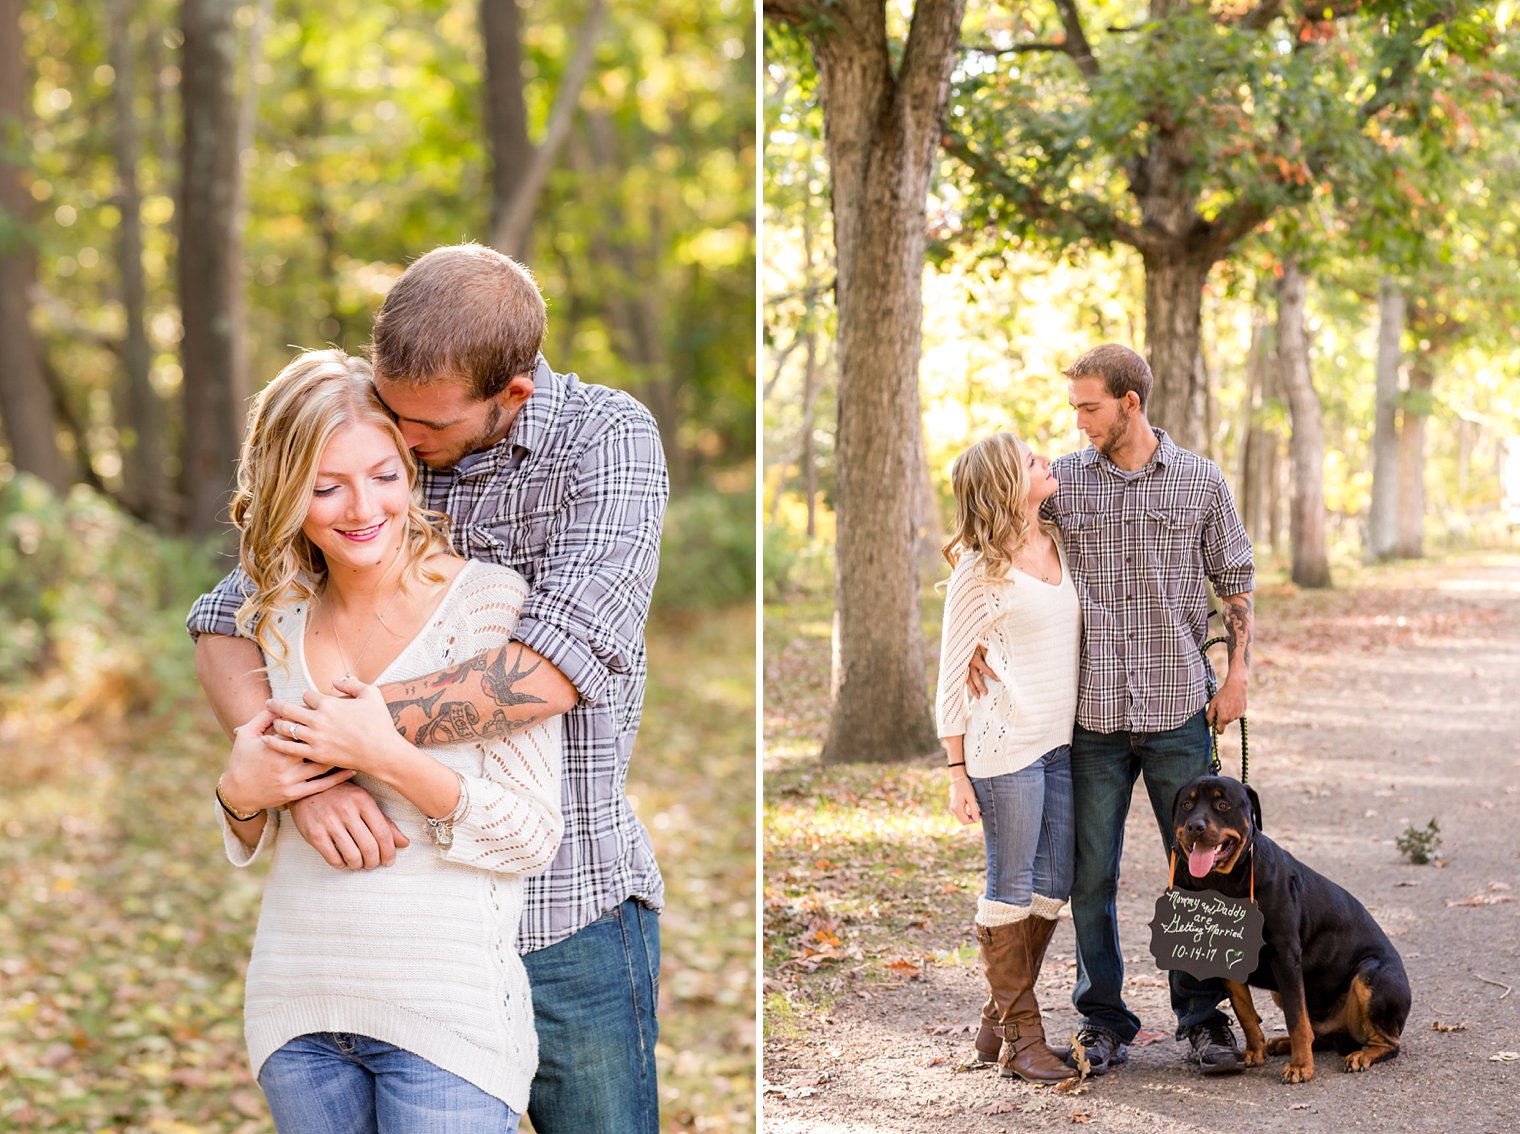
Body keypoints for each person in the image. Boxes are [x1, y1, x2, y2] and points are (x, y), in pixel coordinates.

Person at [189, 244, 667, 1133]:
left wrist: (351, 731)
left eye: (424, 434)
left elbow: (554, 669)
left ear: (510, 394)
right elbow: (226, 618)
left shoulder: (606, 443)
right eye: (391, 414)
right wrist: (305, 776)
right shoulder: (385, 430)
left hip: (567, 912)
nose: (404, 447)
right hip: (384, 943)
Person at [213, 348, 564, 1131]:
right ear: (285, 494)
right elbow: (252, 824)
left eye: (382, 475)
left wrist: (385, 756)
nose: (361, 507)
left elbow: (532, 835)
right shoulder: (277, 616)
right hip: (297, 1012)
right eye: (325, 486)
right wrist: (239, 793)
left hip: (448, 1024)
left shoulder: (487, 607)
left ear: (410, 467)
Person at [972, 344, 1254, 1077]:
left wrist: (1239, 675)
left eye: (1089, 406)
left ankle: (1203, 1018)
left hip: (1176, 710)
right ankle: (1103, 1020)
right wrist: (975, 635)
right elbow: (992, 537)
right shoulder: (1061, 481)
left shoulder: (1200, 482)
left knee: (1198, 871)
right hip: (1090, 718)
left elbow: (1237, 582)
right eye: (1073, 407)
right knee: (1089, 877)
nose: (1078, 420)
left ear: (1131, 403)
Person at [936, 432, 1082, 1083]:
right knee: (1012, 884)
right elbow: (948, 679)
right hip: (1004, 751)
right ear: (1004, 484)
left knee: (1055, 883)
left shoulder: (1059, 541)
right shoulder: (978, 570)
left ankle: (1001, 1010)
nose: (1045, 462)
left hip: (1059, 745)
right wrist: (956, 772)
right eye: (1030, 461)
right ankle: (1024, 1039)